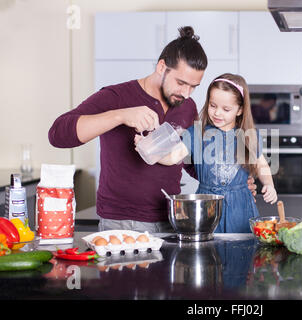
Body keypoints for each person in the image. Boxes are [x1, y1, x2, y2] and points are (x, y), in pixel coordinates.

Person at [48, 26, 257, 233]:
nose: (186, 93)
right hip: (122, 223)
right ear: (161, 67)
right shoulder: (117, 96)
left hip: (173, 218)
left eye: (194, 86)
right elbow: (58, 134)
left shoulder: (187, 107)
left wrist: (232, 183)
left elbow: (192, 160)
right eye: (181, 82)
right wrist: (120, 115)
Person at [139, 73, 278, 233]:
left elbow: (262, 165)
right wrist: (149, 149)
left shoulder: (247, 136)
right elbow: (172, 157)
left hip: (241, 207)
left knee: (242, 251)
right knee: (209, 251)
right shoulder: (196, 133)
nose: (217, 113)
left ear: (240, 110)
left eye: (226, 109)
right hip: (207, 205)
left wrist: (269, 184)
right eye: (213, 106)